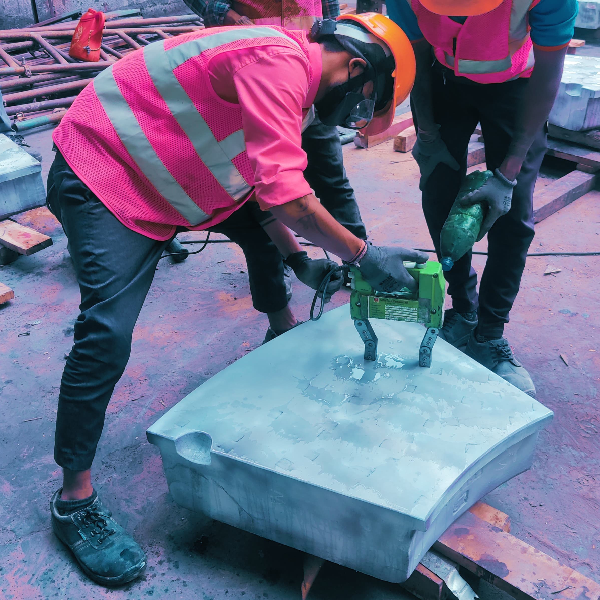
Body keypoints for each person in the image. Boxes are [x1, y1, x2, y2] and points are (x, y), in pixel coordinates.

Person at [46, 14, 422, 586]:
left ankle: (283, 328)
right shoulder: (277, 63)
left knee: (267, 235)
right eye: (365, 102)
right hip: (105, 171)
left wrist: (298, 259)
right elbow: (291, 198)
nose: (356, 115)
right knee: (108, 332)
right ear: (355, 68)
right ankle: (74, 501)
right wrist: (362, 254)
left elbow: (256, 186)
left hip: (173, 178)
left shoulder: (294, 90)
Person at [386, 0, 577, 397]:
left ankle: (489, 334)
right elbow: (417, 56)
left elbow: (548, 72)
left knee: (512, 213)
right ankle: (463, 310)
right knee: (440, 196)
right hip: (442, 83)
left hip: (519, 88)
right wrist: (428, 134)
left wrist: (509, 172)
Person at [183, 0, 369, 311]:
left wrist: (356, 255)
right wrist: (226, 14)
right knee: (252, 192)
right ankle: (280, 302)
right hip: (251, 74)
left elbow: (329, 9)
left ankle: (356, 262)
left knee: (331, 180)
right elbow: (271, 194)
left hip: (314, 75)